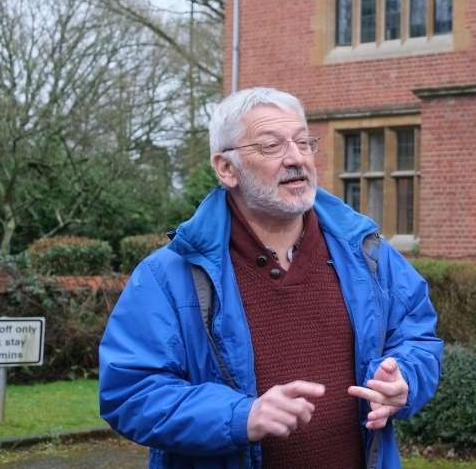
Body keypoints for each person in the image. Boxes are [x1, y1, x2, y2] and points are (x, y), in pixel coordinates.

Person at [99, 87, 443, 468]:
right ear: (226, 168)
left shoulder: (369, 254)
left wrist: (404, 380)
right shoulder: (168, 276)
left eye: (303, 142)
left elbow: (418, 336)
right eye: (271, 146)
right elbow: (130, 393)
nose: (296, 158)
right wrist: (241, 416)